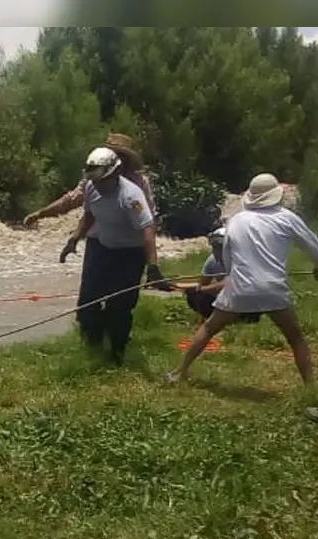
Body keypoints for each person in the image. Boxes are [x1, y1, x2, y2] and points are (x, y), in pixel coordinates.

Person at [165, 174, 318, 410]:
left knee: (209, 328)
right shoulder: (287, 218)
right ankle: (310, 388)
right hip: (272, 289)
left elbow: (227, 261)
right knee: (295, 337)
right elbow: (314, 247)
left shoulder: (236, 221)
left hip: (238, 288)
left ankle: (179, 373)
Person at [59, 146, 171, 365]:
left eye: (102, 181)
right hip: (103, 249)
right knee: (87, 303)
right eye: (95, 181)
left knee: (119, 307)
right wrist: (74, 239)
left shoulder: (131, 197)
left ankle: (116, 355)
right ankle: (93, 347)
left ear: (115, 174)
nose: (98, 186)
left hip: (130, 255)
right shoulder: (91, 186)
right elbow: (89, 215)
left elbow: (147, 229)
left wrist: (153, 266)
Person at [22, 133, 157, 230]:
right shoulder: (94, 179)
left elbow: (146, 215)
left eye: (119, 155)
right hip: (98, 241)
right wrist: (41, 214)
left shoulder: (138, 182)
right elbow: (71, 200)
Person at [182, 227, 260, 324]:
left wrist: (202, 289)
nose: (216, 251)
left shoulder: (242, 260)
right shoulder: (212, 261)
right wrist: (193, 290)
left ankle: (244, 319)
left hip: (245, 300)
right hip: (226, 301)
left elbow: (226, 284)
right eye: (214, 247)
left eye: (220, 247)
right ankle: (211, 318)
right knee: (194, 296)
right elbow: (202, 283)